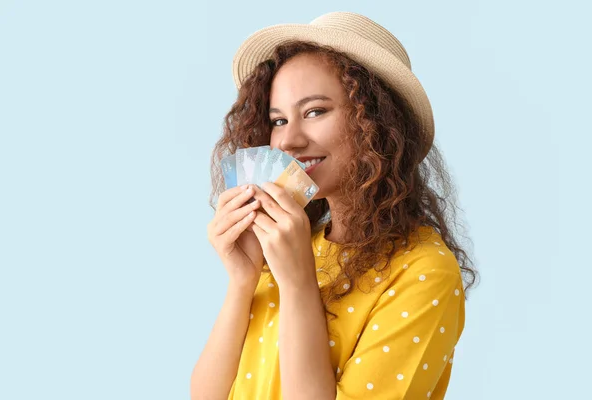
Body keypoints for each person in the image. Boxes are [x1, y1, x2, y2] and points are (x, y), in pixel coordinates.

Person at [191, 11, 478, 400]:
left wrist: (297, 284)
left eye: (314, 112)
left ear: (377, 123)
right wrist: (242, 281)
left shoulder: (424, 271)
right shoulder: (292, 244)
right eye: (278, 120)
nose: (288, 141)